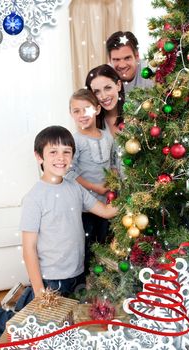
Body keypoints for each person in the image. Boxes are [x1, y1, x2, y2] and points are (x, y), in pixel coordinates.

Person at [0, 125, 117, 341]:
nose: (61, 157)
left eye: (67, 152)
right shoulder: (34, 198)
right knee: (36, 327)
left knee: (67, 324)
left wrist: (135, 201)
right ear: (39, 157)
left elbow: (104, 211)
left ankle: (21, 297)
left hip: (76, 274)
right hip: (51, 279)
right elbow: (28, 248)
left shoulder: (75, 188)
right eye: (53, 152)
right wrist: (39, 290)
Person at [68, 89, 116, 271]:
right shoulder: (75, 140)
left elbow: (112, 163)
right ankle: (87, 282)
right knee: (88, 245)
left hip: (107, 203)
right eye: (76, 111)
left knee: (106, 242)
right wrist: (94, 188)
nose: (82, 115)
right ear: (71, 114)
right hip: (85, 206)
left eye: (86, 109)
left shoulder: (107, 136)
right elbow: (71, 173)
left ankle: (104, 281)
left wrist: (113, 181)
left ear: (97, 109)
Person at [85, 64, 125, 177]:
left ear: (118, 85)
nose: (103, 96)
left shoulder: (137, 115)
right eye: (96, 92)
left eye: (108, 88)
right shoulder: (91, 125)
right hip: (107, 191)